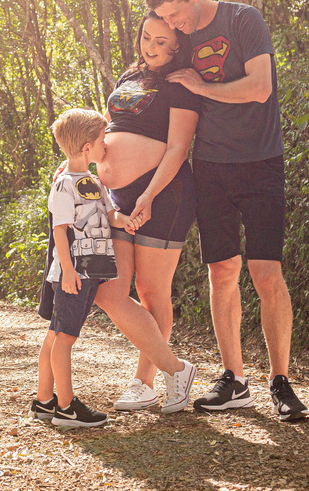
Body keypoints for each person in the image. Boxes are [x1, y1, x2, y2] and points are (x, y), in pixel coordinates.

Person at [145, 0, 309, 423]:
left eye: (177, 14)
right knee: (222, 272)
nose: (173, 24)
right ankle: (234, 380)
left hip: (261, 164)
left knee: (265, 274)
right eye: (165, 17)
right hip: (212, 167)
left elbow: (260, 88)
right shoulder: (179, 40)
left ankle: (280, 382)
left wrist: (202, 85)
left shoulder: (243, 20)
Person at [31, 109, 197, 427]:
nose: (107, 145)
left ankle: (44, 402)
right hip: (73, 272)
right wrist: (67, 270)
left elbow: (111, 216)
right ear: (86, 148)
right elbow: (60, 232)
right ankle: (65, 408)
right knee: (62, 337)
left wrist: (130, 219)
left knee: (58, 333)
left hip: (91, 271)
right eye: (102, 141)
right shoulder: (64, 185)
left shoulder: (93, 182)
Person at [95, 11, 201, 411]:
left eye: (161, 42)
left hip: (164, 194)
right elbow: (106, 131)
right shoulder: (128, 78)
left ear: (178, 47)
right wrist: (79, 163)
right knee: (109, 293)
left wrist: (150, 194)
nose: (151, 47)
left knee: (152, 291)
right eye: (147, 38)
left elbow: (178, 148)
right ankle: (176, 369)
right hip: (119, 199)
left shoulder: (181, 85)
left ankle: (145, 382)